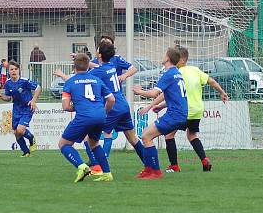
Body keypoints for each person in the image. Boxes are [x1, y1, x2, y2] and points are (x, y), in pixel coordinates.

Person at [146, 46, 228, 173]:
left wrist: (154, 105)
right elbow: (212, 81)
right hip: (197, 110)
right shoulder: (195, 70)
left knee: (168, 135)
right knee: (192, 135)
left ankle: (174, 166)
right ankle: (204, 160)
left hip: (183, 111)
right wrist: (222, 92)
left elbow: (170, 95)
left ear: (182, 60)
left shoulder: (177, 74)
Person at [132, 47, 188, 180]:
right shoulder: (176, 73)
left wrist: (139, 91)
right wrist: (152, 106)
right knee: (147, 135)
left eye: (164, 54)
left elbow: (153, 93)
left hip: (175, 115)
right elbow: (167, 95)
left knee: (146, 136)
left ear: (168, 58)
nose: (163, 56)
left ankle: (155, 171)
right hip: (179, 114)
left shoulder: (168, 74)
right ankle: (148, 170)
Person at [58, 53, 115, 183]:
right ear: (88, 65)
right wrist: (103, 112)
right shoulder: (96, 80)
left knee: (64, 144)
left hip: (84, 116)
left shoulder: (70, 82)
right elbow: (111, 99)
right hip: (100, 116)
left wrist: (77, 106)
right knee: (94, 143)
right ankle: (107, 173)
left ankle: (82, 166)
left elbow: (66, 106)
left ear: (74, 66)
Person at [90, 41, 146, 172]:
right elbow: (96, 67)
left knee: (91, 138)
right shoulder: (110, 66)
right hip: (123, 104)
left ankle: (99, 168)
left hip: (113, 106)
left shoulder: (98, 72)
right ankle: (150, 165)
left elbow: (85, 76)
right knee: (132, 138)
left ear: (99, 54)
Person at [0, 60, 41, 157]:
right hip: (16, 109)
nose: (14, 71)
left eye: (16, 69)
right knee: (16, 133)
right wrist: (2, 97)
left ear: (19, 70)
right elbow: (8, 98)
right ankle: (26, 152)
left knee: (20, 130)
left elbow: (38, 88)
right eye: (11, 69)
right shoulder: (8, 83)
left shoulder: (24, 81)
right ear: (9, 71)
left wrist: (33, 100)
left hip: (27, 108)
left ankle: (31, 138)